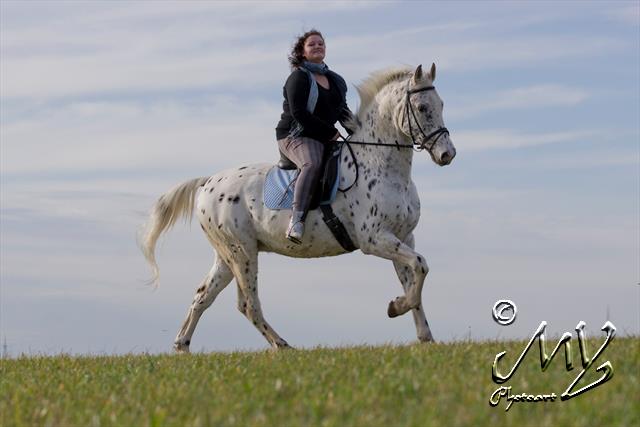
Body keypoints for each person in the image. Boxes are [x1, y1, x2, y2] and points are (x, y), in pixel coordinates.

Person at [275, 29, 354, 244]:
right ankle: (297, 220)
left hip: (323, 136)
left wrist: (358, 132)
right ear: (302, 52)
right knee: (312, 163)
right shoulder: (298, 77)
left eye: (321, 43)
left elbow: (343, 112)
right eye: (312, 44)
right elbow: (299, 114)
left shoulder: (336, 80)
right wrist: (329, 132)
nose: (317, 46)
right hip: (295, 135)